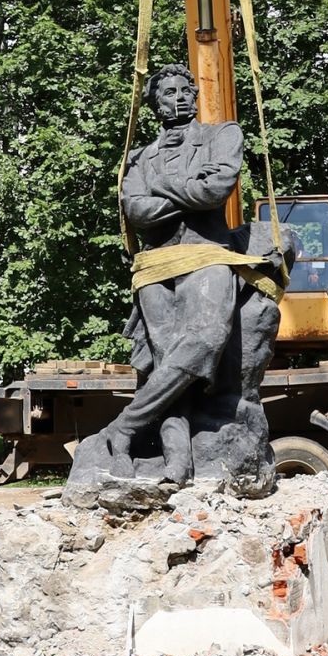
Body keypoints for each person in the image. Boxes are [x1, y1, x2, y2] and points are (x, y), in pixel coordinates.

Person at [102, 63, 243, 481]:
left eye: (185, 90)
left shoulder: (223, 135)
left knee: (205, 339)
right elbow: (136, 210)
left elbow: (215, 190)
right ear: (155, 104)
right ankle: (178, 462)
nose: (179, 98)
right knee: (166, 363)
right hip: (155, 265)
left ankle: (124, 426)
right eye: (169, 93)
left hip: (207, 254)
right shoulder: (140, 156)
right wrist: (188, 191)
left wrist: (161, 187)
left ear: (195, 97)